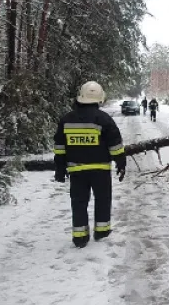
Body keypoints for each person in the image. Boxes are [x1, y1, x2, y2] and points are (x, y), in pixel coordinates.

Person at [53, 81, 126, 248]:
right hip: (100, 169)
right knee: (102, 200)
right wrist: (121, 163)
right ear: (99, 98)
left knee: (78, 202)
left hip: (76, 170)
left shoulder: (66, 120)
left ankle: (79, 237)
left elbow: (59, 147)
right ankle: (102, 231)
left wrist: (59, 168)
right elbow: (115, 145)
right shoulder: (104, 119)